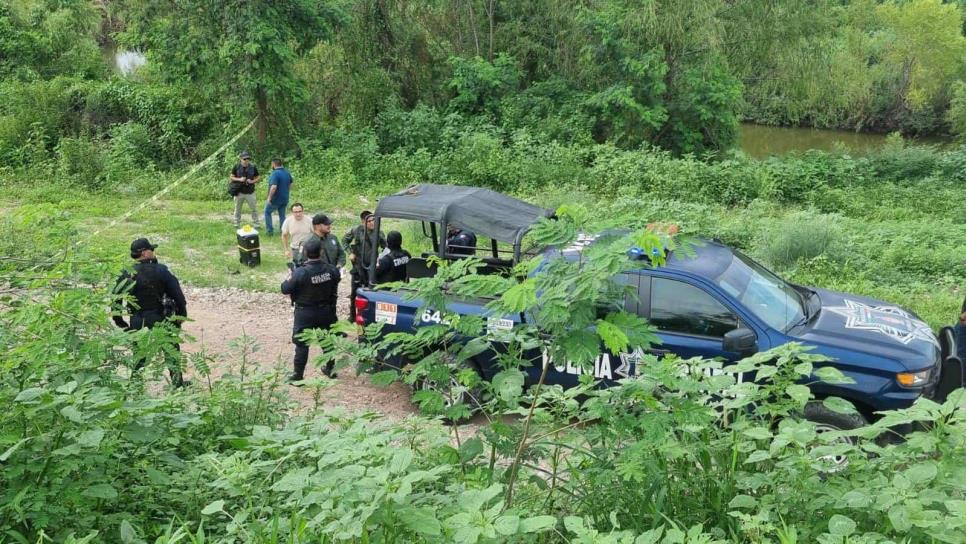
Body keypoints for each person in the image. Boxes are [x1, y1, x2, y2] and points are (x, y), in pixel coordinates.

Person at [112, 238, 187, 387]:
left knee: (139, 355)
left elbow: (116, 299)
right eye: (151, 250)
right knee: (171, 350)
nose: (153, 252)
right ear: (145, 253)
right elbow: (178, 296)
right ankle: (177, 385)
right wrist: (182, 315)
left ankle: (135, 387)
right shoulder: (161, 270)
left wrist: (119, 320)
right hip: (161, 317)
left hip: (137, 318)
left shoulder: (126, 274)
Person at [281, 237, 340, 383]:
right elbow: (336, 279)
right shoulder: (331, 269)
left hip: (305, 312)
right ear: (321, 251)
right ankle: (330, 368)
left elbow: (285, 289)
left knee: (302, 344)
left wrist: (289, 275)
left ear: (306, 252)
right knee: (327, 341)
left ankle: (298, 375)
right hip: (326, 311)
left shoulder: (301, 272)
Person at [343, 211, 386, 322]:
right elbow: (344, 241)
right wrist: (350, 253)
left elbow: (385, 247)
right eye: (370, 221)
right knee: (354, 292)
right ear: (363, 222)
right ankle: (352, 315)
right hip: (358, 265)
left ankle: (370, 315)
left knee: (371, 291)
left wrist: (380, 258)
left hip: (372, 266)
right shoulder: (356, 230)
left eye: (374, 220)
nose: (373, 223)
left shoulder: (379, 233)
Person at [229, 151, 260, 229]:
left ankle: (256, 224)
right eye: (244, 159)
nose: (246, 160)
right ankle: (236, 223)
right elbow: (231, 177)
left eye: (248, 159)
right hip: (239, 192)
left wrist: (252, 181)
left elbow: (258, 177)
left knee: (254, 209)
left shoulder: (253, 167)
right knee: (237, 209)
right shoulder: (236, 166)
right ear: (240, 159)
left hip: (250, 192)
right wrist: (239, 179)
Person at [263, 158, 293, 236]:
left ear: (273, 164)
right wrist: (286, 192)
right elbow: (290, 184)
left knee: (267, 212)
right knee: (282, 215)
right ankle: (283, 231)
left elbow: (273, 187)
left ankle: (269, 232)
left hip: (276, 199)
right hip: (285, 198)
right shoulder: (287, 172)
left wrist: (269, 198)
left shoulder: (275, 173)